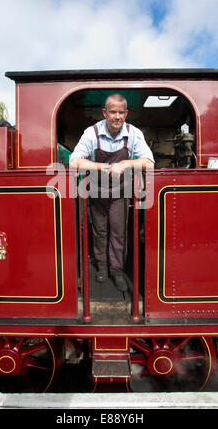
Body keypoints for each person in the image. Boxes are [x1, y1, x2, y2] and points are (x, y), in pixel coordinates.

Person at [69, 93, 154, 292]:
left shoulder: (133, 133)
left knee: (118, 232)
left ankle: (116, 270)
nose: (117, 116)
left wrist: (126, 163)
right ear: (105, 113)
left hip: (121, 191)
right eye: (113, 112)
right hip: (97, 190)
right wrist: (102, 167)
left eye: (121, 112)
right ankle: (102, 267)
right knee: (100, 232)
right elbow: (74, 161)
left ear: (126, 113)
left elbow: (149, 162)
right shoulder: (91, 133)